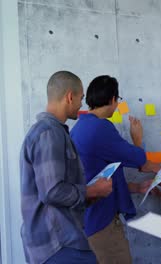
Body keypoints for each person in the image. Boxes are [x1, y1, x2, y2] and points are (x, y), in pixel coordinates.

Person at [20, 71, 113, 264]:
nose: (81, 105)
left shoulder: (53, 133)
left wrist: (90, 195)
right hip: (58, 244)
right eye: (81, 98)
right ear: (70, 96)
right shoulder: (49, 133)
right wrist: (92, 190)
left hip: (60, 242)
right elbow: (52, 191)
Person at [70, 75, 160, 263]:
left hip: (86, 220)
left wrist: (136, 187)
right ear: (112, 100)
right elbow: (139, 160)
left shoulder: (80, 127)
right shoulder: (100, 128)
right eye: (117, 100)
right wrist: (137, 139)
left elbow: (102, 174)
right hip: (101, 222)